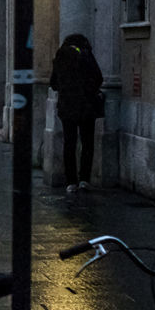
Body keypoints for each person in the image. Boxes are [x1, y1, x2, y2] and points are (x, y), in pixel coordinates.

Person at [50, 32, 103, 195]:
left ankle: (70, 182)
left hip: (67, 107)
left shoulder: (61, 55)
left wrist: (66, 89)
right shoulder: (87, 54)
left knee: (69, 143)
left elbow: (53, 83)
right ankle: (84, 180)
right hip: (87, 106)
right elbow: (99, 78)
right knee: (87, 143)